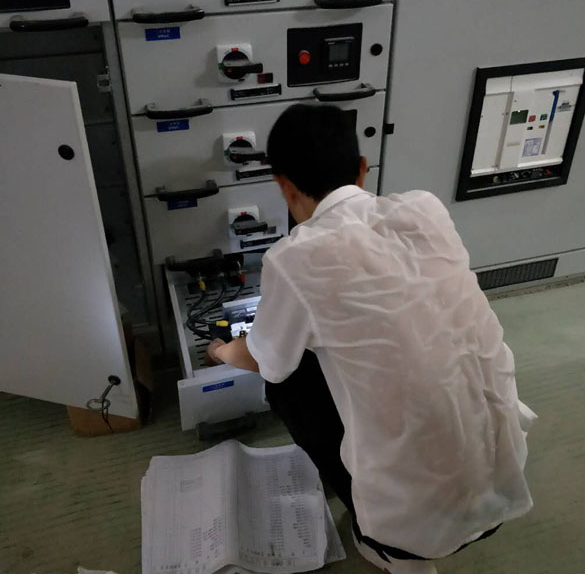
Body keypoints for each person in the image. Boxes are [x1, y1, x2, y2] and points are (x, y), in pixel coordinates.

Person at [206, 104, 537, 574]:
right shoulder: (425, 208)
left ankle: (387, 546)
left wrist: (220, 350)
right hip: (502, 473)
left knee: (287, 383)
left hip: (413, 519)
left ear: (283, 186)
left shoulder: (294, 258)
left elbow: (266, 360)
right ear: (362, 169)